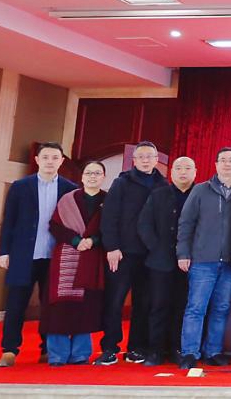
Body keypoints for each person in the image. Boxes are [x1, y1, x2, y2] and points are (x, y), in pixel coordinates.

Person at [0, 142, 77, 367]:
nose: (50, 161)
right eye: (46, 157)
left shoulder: (70, 189)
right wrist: (4, 251)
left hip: (54, 256)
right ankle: (9, 350)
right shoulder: (21, 186)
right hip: (23, 254)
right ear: (37, 160)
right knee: (16, 304)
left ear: (62, 161)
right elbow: (9, 221)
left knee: (50, 306)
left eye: (55, 158)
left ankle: (47, 349)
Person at [96, 141, 167, 366]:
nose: (145, 160)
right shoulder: (122, 183)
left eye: (150, 156)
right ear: (134, 160)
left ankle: (136, 347)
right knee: (114, 301)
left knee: (143, 303)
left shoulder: (163, 185)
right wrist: (112, 247)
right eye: (141, 156)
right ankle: (110, 347)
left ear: (156, 160)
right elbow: (109, 216)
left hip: (150, 255)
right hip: (123, 252)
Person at [177, 147, 231, 369]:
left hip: (230, 262)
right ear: (215, 165)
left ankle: (213, 351)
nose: (227, 163)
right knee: (196, 308)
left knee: (221, 308)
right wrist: (183, 253)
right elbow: (186, 223)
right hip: (202, 260)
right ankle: (190, 352)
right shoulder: (200, 190)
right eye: (222, 160)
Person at [42, 161, 108, 367]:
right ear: (82, 176)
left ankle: (80, 354)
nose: (92, 176)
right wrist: (76, 240)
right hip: (66, 257)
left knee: (86, 307)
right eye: (89, 173)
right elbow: (55, 225)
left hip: (92, 258)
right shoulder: (68, 200)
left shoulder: (109, 201)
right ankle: (57, 355)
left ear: (104, 177)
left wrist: (93, 240)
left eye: (97, 173)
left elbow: (112, 227)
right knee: (59, 308)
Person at [136, 156, 197, 366]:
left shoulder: (200, 194)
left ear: (195, 172)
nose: (183, 172)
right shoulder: (159, 194)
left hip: (190, 261)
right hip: (160, 261)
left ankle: (176, 349)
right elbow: (144, 225)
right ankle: (155, 350)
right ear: (171, 172)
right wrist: (156, 247)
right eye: (178, 168)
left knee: (182, 306)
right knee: (158, 305)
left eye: (187, 168)